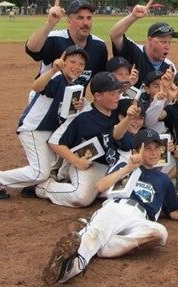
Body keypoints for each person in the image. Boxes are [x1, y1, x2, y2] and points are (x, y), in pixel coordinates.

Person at [42, 128, 178, 285]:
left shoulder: (164, 180)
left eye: (156, 148)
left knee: (160, 234)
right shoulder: (125, 166)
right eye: (147, 148)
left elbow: (176, 212)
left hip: (140, 218)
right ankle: (67, 270)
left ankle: (100, 243)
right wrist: (128, 168)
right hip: (117, 207)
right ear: (136, 151)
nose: (153, 153)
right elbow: (101, 187)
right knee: (94, 235)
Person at [0, 45, 88, 200]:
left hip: (46, 132)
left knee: (44, 168)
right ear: (63, 62)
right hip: (34, 129)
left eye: (81, 64)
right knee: (40, 172)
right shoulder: (57, 77)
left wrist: (80, 105)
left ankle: (30, 184)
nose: (77, 67)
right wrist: (53, 70)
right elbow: (37, 86)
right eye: (72, 62)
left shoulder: (71, 84)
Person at [33, 72, 126, 207]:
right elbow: (55, 142)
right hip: (89, 165)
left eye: (118, 92)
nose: (118, 97)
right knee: (82, 197)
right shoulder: (83, 116)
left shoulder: (120, 109)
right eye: (113, 93)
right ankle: (44, 187)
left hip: (113, 164)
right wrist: (76, 161)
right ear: (98, 96)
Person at [25, 0, 107, 85]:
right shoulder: (55, 39)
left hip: (75, 98)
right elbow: (31, 49)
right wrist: (49, 24)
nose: (86, 23)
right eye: (80, 18)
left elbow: (102, 81)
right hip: (47, 97)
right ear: (69, 20)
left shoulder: (99, 46)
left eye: (89, 18)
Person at [109, 0, 178, 86]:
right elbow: (114, 35)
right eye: (163, 42)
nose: (167, 46)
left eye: (169, 42)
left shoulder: (169, 67)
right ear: (149, 40)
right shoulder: (134, 51)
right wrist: (133, 16)